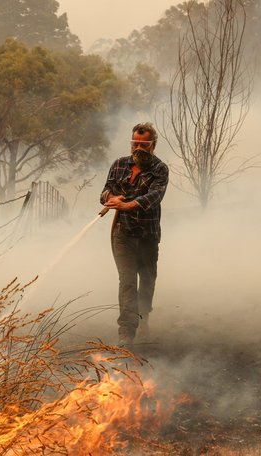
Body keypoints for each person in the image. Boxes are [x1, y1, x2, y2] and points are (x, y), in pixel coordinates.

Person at [100, 122, 169, 346]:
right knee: (127, 281)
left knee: (147, 279)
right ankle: (126, 333)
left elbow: (154, 196)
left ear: (153, 145)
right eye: (135, 143)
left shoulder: (160, 169)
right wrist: (111, 198)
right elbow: (105, 191)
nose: (138, 148)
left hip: (148, 235)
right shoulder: (119, 165)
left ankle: (143, 316)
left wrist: (128, 205)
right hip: (123, 234)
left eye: (144, 144)